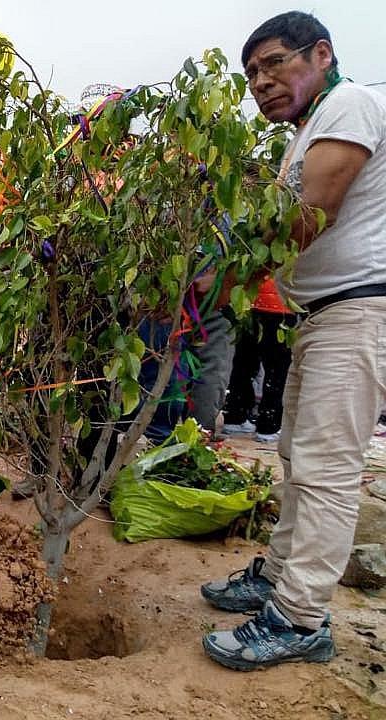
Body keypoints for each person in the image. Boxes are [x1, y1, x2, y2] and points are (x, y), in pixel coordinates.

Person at [201, 11, 386, 670]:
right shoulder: (309, 128)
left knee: (329, 470)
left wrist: (228, 281)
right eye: (252, 72)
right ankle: (278, 578)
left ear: (322, 55)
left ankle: (302, 617)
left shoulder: (351, 106)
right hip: (322, 315)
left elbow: (310, 214)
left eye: (276, 63)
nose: (262, 81)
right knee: (297, 458)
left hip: (357, 311)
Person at [221, 277, 297, 442]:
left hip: (248, 302)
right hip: (281, 306)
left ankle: (235, 416)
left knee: (243, 362)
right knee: (277, 368)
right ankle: (269, 425)